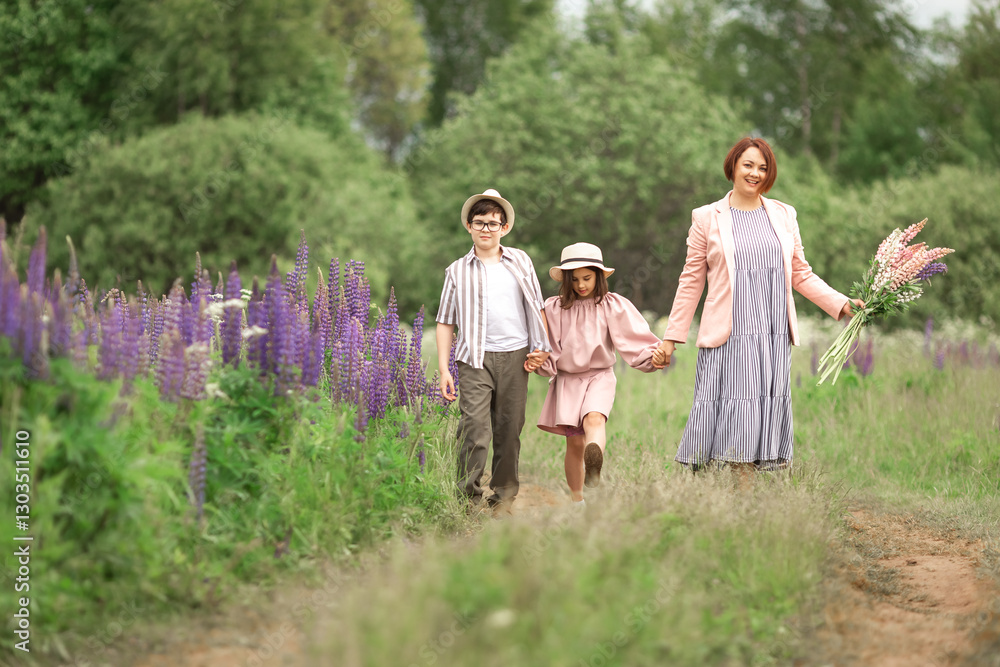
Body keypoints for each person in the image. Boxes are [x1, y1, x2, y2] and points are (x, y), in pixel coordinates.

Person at [656, 137, 863, 473]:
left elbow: (800, 273)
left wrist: (841, 304)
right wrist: (671, 337)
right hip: (728, 334)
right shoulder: (707, 217)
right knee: (729, 413)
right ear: (733, 166)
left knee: (756, 411)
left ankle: (742, 498)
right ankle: (732, 497)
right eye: (748, 165)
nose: (755, 173)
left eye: (763, 168)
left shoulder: (783, 215)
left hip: (770, 333)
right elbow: (691, 281)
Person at [436, 189, 552, 513]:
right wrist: (445, 369)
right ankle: (467, 498)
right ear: (469, 227)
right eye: (480, 222)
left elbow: (536, 306)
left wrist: (542, 347)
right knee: (474, 428)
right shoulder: (456, 271)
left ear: (503, 227)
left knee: (509, 428)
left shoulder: (521, 261)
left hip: (516, 356)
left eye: (492, 223)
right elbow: (445, 322)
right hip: (474, 358)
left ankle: (503, 498)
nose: (486, 228)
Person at [531, 242, 666, 505]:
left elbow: (634, 339)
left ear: (598, 276)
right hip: (567, 381)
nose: (581, 285)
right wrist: (539, 360)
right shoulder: (554, 308)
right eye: (575, 279)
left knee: (595, 420)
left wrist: (654, 355)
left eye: (587, 278)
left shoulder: (612, 305)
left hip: (600, 376)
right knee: (575, 445)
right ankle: (577, 500)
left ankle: (595, 463)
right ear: (566, 280)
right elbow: (545, 346)